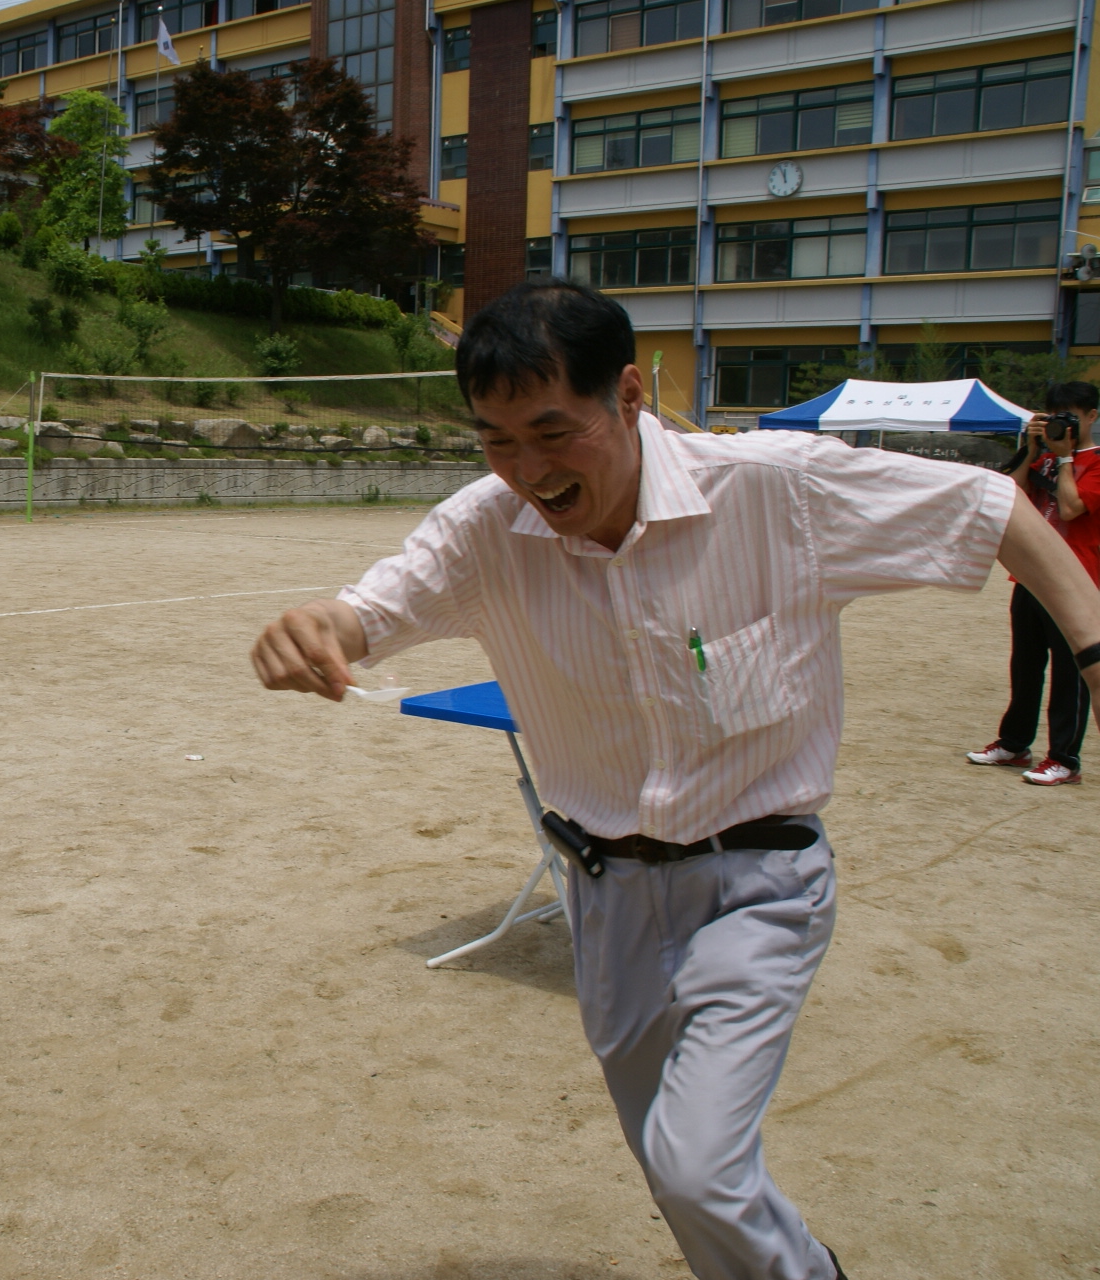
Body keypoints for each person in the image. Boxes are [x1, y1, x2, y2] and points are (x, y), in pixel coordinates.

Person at [249, 281, 1100, 1280]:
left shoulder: (775, 488)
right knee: (675, 1167)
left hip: (757, 882)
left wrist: (1091, 644)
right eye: (496, 439)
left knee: (696, 1168)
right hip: (606, 898)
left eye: (552, 432)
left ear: (629, 394)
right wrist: (318, 629)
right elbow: (370, 609)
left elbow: (990, 503)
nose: (527, 469)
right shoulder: (485, 529)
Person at [965, 380, 1100, 785]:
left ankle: (1064, 758)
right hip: (1030, 575)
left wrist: (1063, 460)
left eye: (1071, 418)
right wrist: (1033, 448)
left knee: (1069, 673)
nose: (1064, 425)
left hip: (1076, 580)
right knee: (1025, 665)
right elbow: (1012, 492)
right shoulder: (1043, 455)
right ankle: (1014, 742)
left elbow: (1074, 508)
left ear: (1092, 416)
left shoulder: (1094, 461)